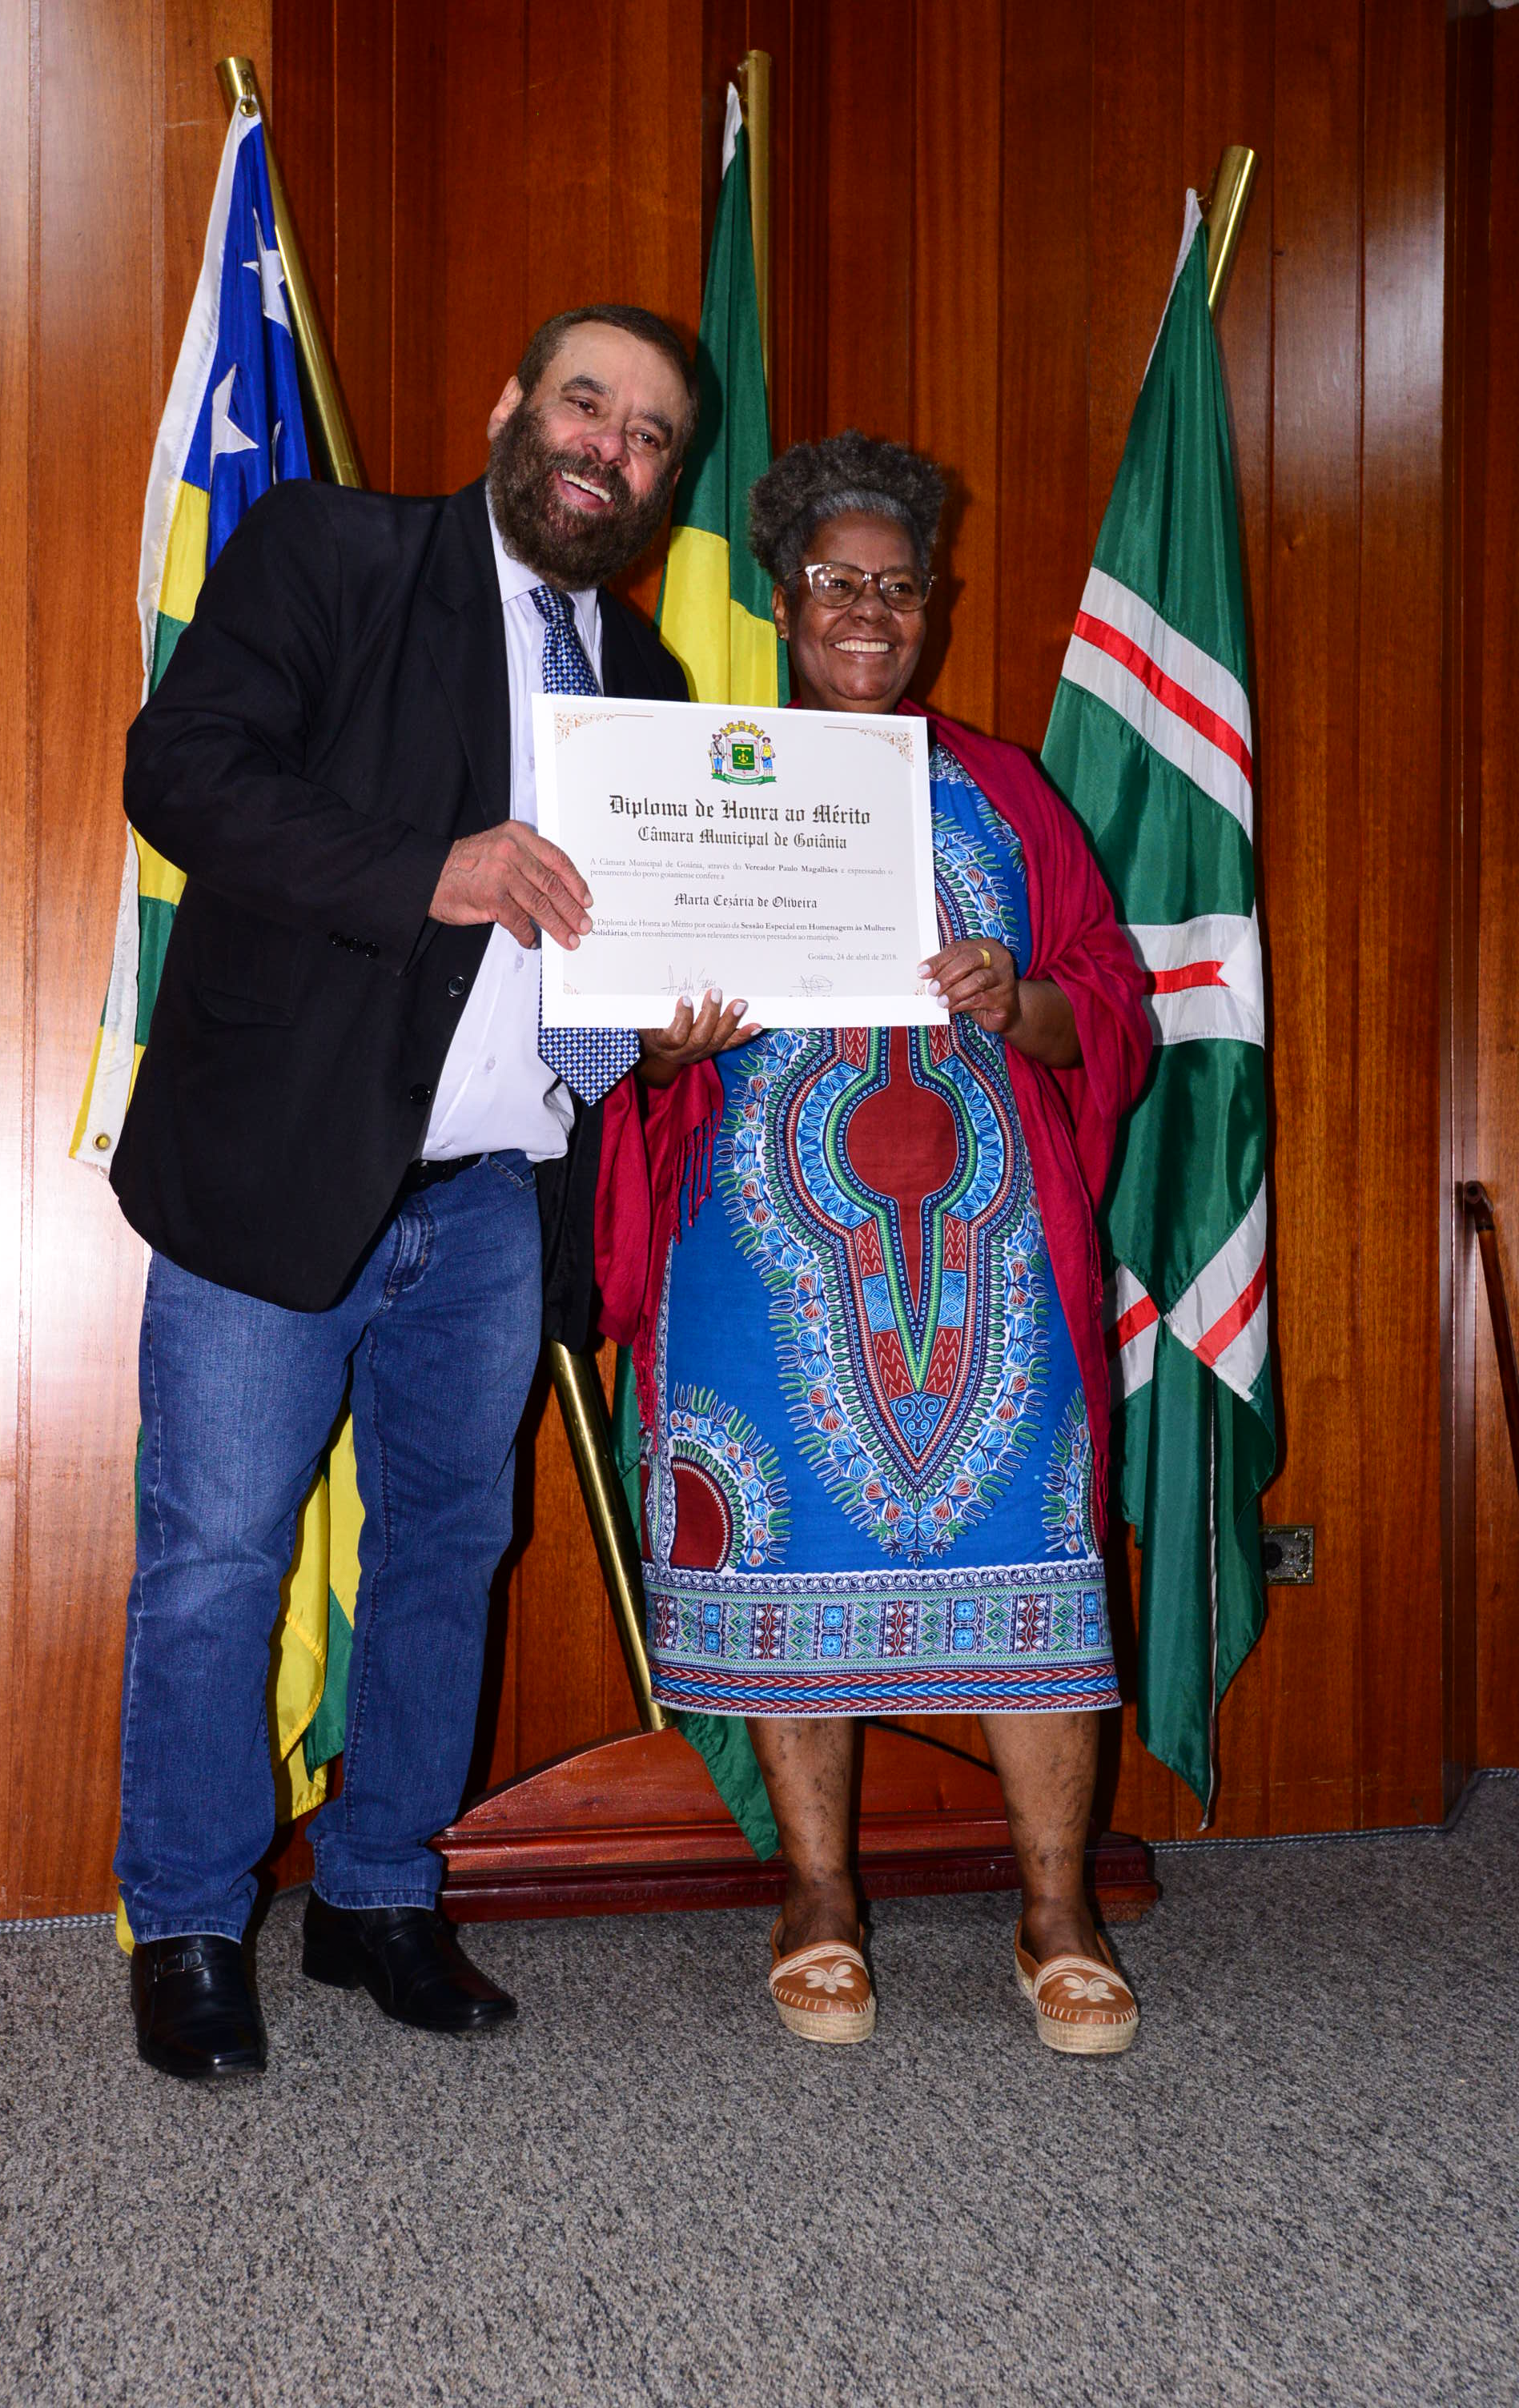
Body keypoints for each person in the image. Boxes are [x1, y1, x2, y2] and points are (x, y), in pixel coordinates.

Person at [112, 304, 697, 2079]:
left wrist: (668, 1023)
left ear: (664, 483)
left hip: (498, 1195)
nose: (608, 447)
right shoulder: (334, 552)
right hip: (283, 1162)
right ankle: (189, 1919)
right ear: (512, 403)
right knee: (218, 1556)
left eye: (648, 436)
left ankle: (378, 1893)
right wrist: (425, 869)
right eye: (586, 403)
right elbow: (180, 772)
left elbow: (615, 947)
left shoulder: (649, 680)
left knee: (447, 1550)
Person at [597, 431, 1152, 2054]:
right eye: (834, 582)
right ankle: (819, 1897)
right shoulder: (696, 782)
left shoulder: (1002, 789)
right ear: (781, 602)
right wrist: (662, 1045)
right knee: (779, 1557)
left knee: (1036, 1552)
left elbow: (1109, 999)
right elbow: (610, 1025)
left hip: (989, 1256)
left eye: (896, 587)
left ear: (932, 608)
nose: (866, 610)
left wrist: (1019, 994)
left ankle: (1056, 1909)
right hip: (760, 1251)